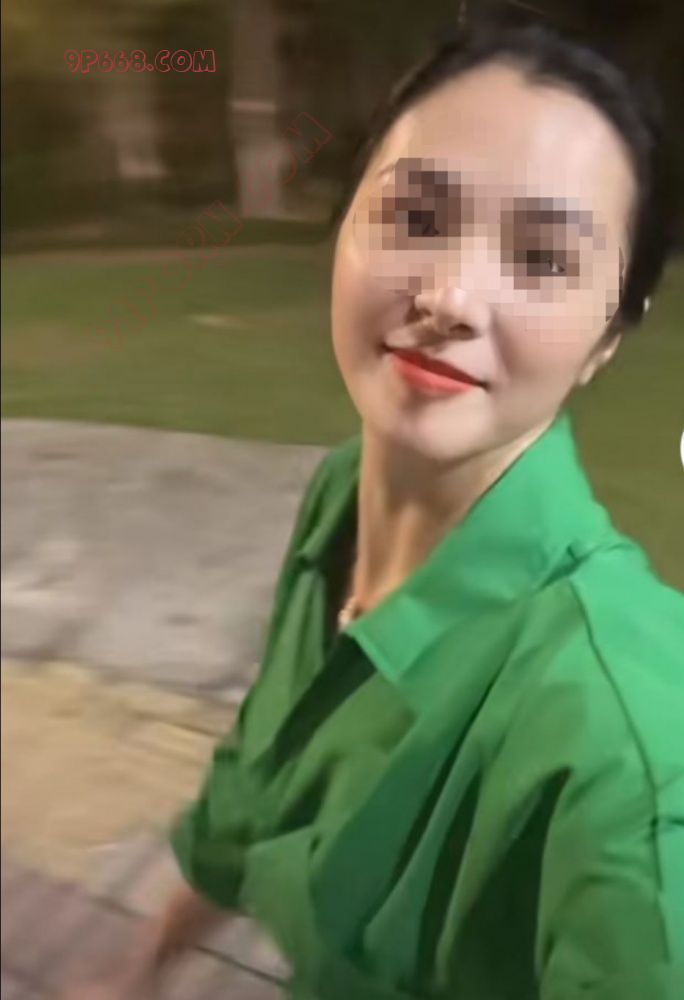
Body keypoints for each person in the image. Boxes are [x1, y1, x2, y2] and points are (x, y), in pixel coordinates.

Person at [64, 16, 684, 1000]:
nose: (450, 297)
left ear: (608, 336)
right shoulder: (342, 498)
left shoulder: (626, 739)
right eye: (418, 217)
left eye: (541, 259)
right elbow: (260, 779)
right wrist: (137, 971)